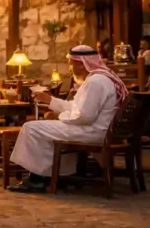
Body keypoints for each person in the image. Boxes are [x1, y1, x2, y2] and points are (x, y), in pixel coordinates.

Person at [8, 45, 129, 193]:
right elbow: (77, 107)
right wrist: (50, 101)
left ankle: (37, 179)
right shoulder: (100, 78)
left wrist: (60, 116)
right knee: (42, 128)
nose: (70, 68)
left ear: (81, 63)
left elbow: (84, 116)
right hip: (96, 129)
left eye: (71, 63)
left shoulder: (96, 82)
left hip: (92, 131)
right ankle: (57, 175)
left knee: (31, 128)